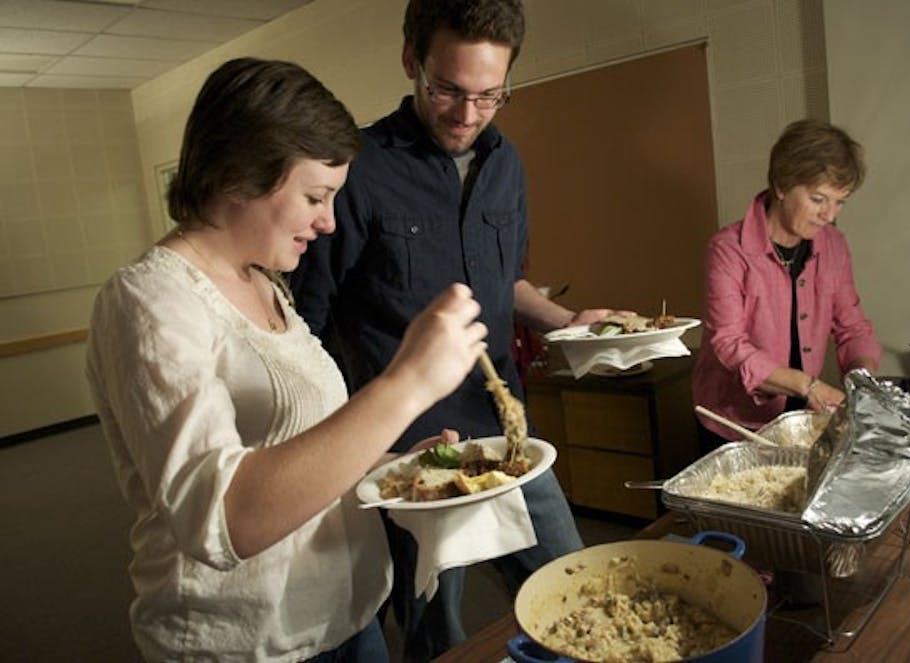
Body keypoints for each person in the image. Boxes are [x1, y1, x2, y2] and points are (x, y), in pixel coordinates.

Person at [85, 57, 488, 663]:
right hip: (249, 643)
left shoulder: (268, 283)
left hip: (345, 616)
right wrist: (407, 384)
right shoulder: (148, 302)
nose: (327, 222)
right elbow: (225, 519)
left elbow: (299, 444)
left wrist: (396, 461)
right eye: (315, 197)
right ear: (241, 175)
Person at [289, 1, 624, 659]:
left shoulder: (507, 165)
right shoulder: (356, 170)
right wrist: (341, 447)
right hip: (410, 456)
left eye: (490, 96)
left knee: (583, 594)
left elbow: (500, 287)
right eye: (448, 90)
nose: (467, 115)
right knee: (437, 637)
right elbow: (308, 325)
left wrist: (563, 321)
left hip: (507, 431)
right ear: (412, 61)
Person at [692, 119, 882, 453]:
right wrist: (807, 386)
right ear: (782, 185)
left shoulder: (834, 246)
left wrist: (861, 381)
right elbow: (728, 343)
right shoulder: (728, 249)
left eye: (840, 202)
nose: (829, 214)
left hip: (800, 413)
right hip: (734, 421)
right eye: (818, 199)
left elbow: (852, 327)